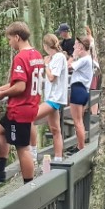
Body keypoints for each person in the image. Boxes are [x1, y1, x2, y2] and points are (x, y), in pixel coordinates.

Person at [0, 21, 44, 184]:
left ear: (17, 37)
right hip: (30, 106)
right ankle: (0, 169)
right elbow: (20, 81)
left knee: (22, 148)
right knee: (0, 129)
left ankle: (28, 184)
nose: (9, 42)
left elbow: (20, 86)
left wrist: (2, 94)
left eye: (10, 39)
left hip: (20, 110)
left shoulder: (21, 57)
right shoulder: (37, 55)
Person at [31, 33, 68, 163]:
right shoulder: (53, 58)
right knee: (55, 129)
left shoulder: (58, 57)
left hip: (54, 98)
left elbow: (52, 77)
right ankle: (58, 159)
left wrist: (45, 65)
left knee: (29, 117)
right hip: (51, 97)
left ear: (46, 46)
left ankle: (33, 154)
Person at [68, 36, 94, 150]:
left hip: (78, 90)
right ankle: (80, 145)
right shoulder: (89, 59)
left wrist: (73, 56)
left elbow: (68, 67)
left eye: (76, 45)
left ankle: (81, 148)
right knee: (80, 121)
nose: (73, 47)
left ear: (81, 47)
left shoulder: (84, 59)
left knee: (77, 122)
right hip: (84, 91)